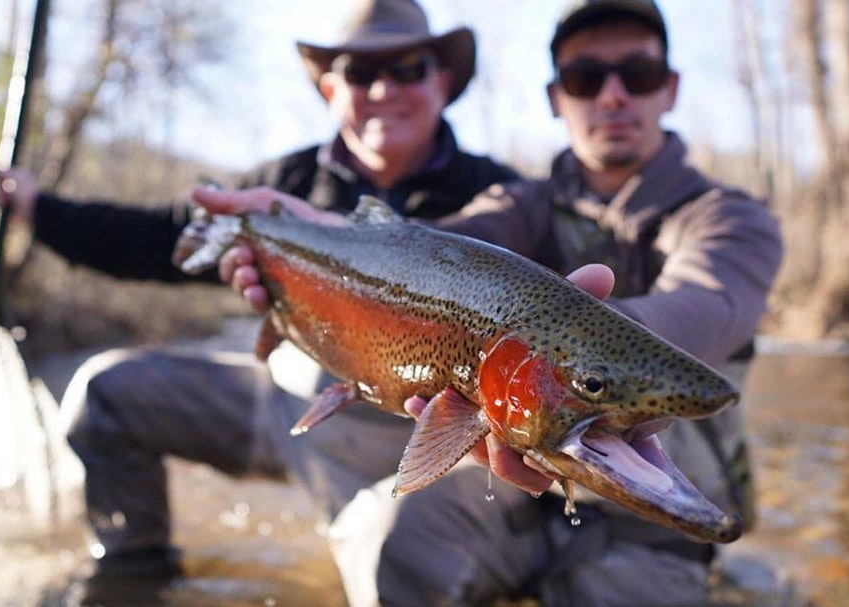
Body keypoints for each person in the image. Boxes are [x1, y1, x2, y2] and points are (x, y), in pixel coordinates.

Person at [198, 0, 784, 605]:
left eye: (637, 75)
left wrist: (570, 353)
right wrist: (326, 239)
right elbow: (427, 254)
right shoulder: (519, 204)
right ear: (558, 96)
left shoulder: (732, 221)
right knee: (388, 535)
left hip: (646, 536)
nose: (612, 96)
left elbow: (702, 312)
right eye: (587, 79)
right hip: (514, 498)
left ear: (670, 89)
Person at [0, 0, 519, 592]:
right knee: (104, 392)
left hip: (419, 437)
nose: (383, 89)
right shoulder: (282, 187)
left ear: (441, 81)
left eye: (408, 69)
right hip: (287, 403)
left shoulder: (501, 198)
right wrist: (39, 211)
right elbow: (158, 237)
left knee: (391, 558)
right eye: (360, 73)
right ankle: (131, 582)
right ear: (328, 89)